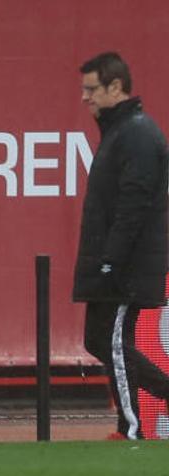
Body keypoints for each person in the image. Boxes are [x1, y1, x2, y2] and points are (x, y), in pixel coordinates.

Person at [73, 52, 169, 440]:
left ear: (116, 87)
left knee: (113, 342)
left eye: (91, 89)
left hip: (126, 264)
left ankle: (129, 430)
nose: (85, 97)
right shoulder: (119, 132)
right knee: (99, 340)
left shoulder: (137, 133)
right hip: (112, 260)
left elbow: (135, 202)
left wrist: (113, 259)